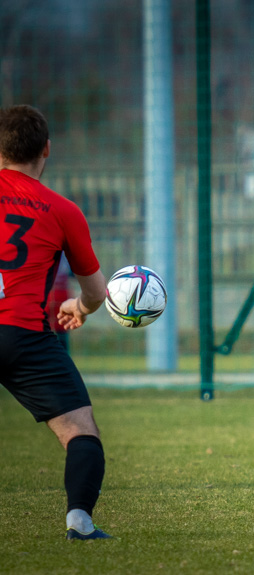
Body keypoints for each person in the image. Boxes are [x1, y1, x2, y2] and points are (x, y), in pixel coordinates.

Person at [0, 105, 111, 539]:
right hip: (24, 336)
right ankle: (79, 523)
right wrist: (78, 309)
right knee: (81, 432)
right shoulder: (62, 210)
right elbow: (97, 292)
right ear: (47, 150)